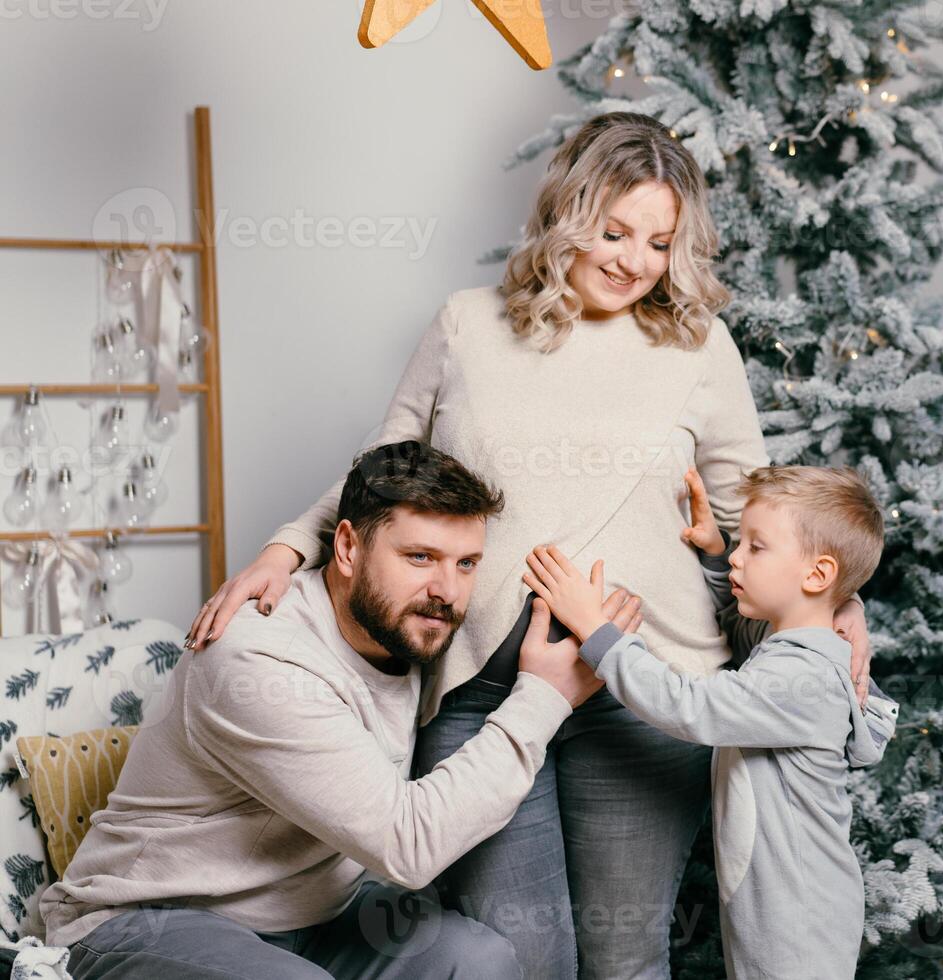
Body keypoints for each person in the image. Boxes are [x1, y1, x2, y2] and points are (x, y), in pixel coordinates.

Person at [183, 112, 875, 977]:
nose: (633, 261)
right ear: (566, 215)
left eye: (659, 243)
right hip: (480, 687)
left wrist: (838, 602)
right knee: (518, 959)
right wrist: (288, 548)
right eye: (614, 232)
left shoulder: (698, 347)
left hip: (644, 693)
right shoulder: (467, 325)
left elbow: (760, 515)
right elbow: (385, 471)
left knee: (626, 958)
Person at [40, 441, 637, 980]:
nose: (447, 592)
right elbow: (408, 843)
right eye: (420, 557)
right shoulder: (256, 657)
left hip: (316, 920)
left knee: (479, 960)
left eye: (466, 564)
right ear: (347, 546)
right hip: (148, 920)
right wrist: (545, 696)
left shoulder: (411, 626)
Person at [522, 464, 899, 979]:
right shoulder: (792, 650)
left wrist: (597, 628)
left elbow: (688, 706)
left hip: (799, 913)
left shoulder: (801, 678)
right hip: (780, 901)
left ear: (817, 575)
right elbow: (746, 631)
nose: (740, 553)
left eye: (756, 547)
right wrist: (719, 558)